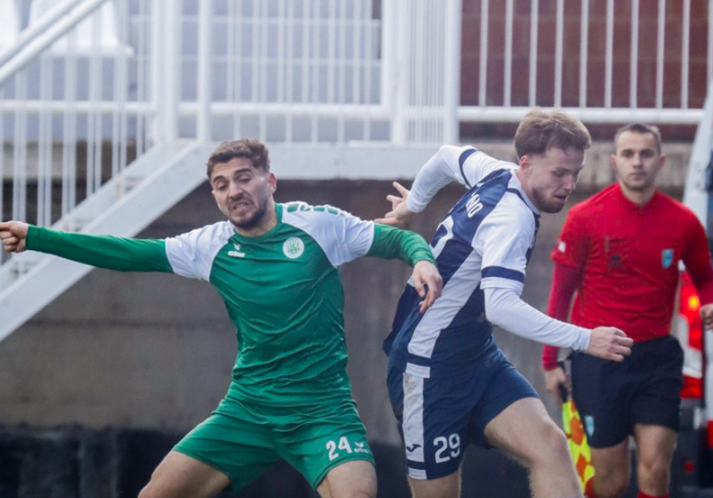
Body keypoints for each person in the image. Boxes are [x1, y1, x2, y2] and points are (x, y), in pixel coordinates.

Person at [0, 139, 443, 498]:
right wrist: (36, 237)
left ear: (270, 181)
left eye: (244, 178)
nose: (234, 191)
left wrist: (422, 260)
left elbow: (396, 240)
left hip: (322, 412)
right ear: (214, 195)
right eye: (221, 184)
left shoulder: (318, 225)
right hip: (248, 410)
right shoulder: (209, 246)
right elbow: (126, 253)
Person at [375, 108, 633, 498]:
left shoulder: (497, 172)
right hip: (428, 371)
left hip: (477, 358)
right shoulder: (512, 218)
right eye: (559, 173)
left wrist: (414, 206)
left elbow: (445, 156)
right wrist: (585, 339)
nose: (569, 184)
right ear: (526, 163)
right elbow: (501, 307)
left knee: (550, 447)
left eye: (575, 173)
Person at [541, 123, 713, 498]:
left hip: (657, 360)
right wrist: (550, 362)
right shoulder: (585, 217)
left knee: (655, 470)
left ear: (660, 161)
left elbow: (705, 277)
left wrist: (709, 302)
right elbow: (561, 294)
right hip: (599, 361)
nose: (638, 162)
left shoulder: (683, 221)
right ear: (615, 161)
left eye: (646, 154)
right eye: (629, 154)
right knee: (610, 480)